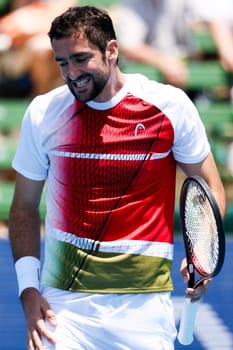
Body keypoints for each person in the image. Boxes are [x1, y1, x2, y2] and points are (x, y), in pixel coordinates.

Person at [8, 5, 226, 350]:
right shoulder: (44, 113)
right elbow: (22, 207)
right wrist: (27, 289)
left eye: (81, 59)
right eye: (61, 62)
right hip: (62, 311)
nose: (71, 73)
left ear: (112, 50)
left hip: (144, 310)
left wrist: (202, 254)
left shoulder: (170, 107)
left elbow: (209, 186)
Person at [113, 0, 200, 88]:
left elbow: (202, 22)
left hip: (188, 65)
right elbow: (129, 45)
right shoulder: (131, 4)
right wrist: (164, 61)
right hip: (147, 75)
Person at [0, 0, 76, 97]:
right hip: (12, 48)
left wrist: (28, 32)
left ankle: (42, 99)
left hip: (47, 44)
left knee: (41, 49)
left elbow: (64, 26)